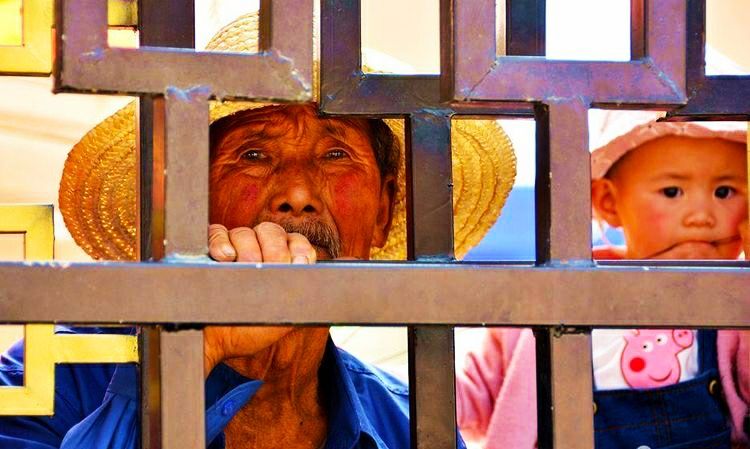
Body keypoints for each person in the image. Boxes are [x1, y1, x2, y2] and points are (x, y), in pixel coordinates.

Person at [0, 13, 518, 449]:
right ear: (188, 198)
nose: (298, 193)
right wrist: (190, 354)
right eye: (253, 154)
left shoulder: (410, 427)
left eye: (336, 155)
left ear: (383, 211)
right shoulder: (51, 380)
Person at [456, 120, 750, 449]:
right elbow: (472, 395)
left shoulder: (736, 303)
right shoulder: (545, 299)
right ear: (608, 202)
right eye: (672, 192)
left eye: (724, 192)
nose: (702, 216)